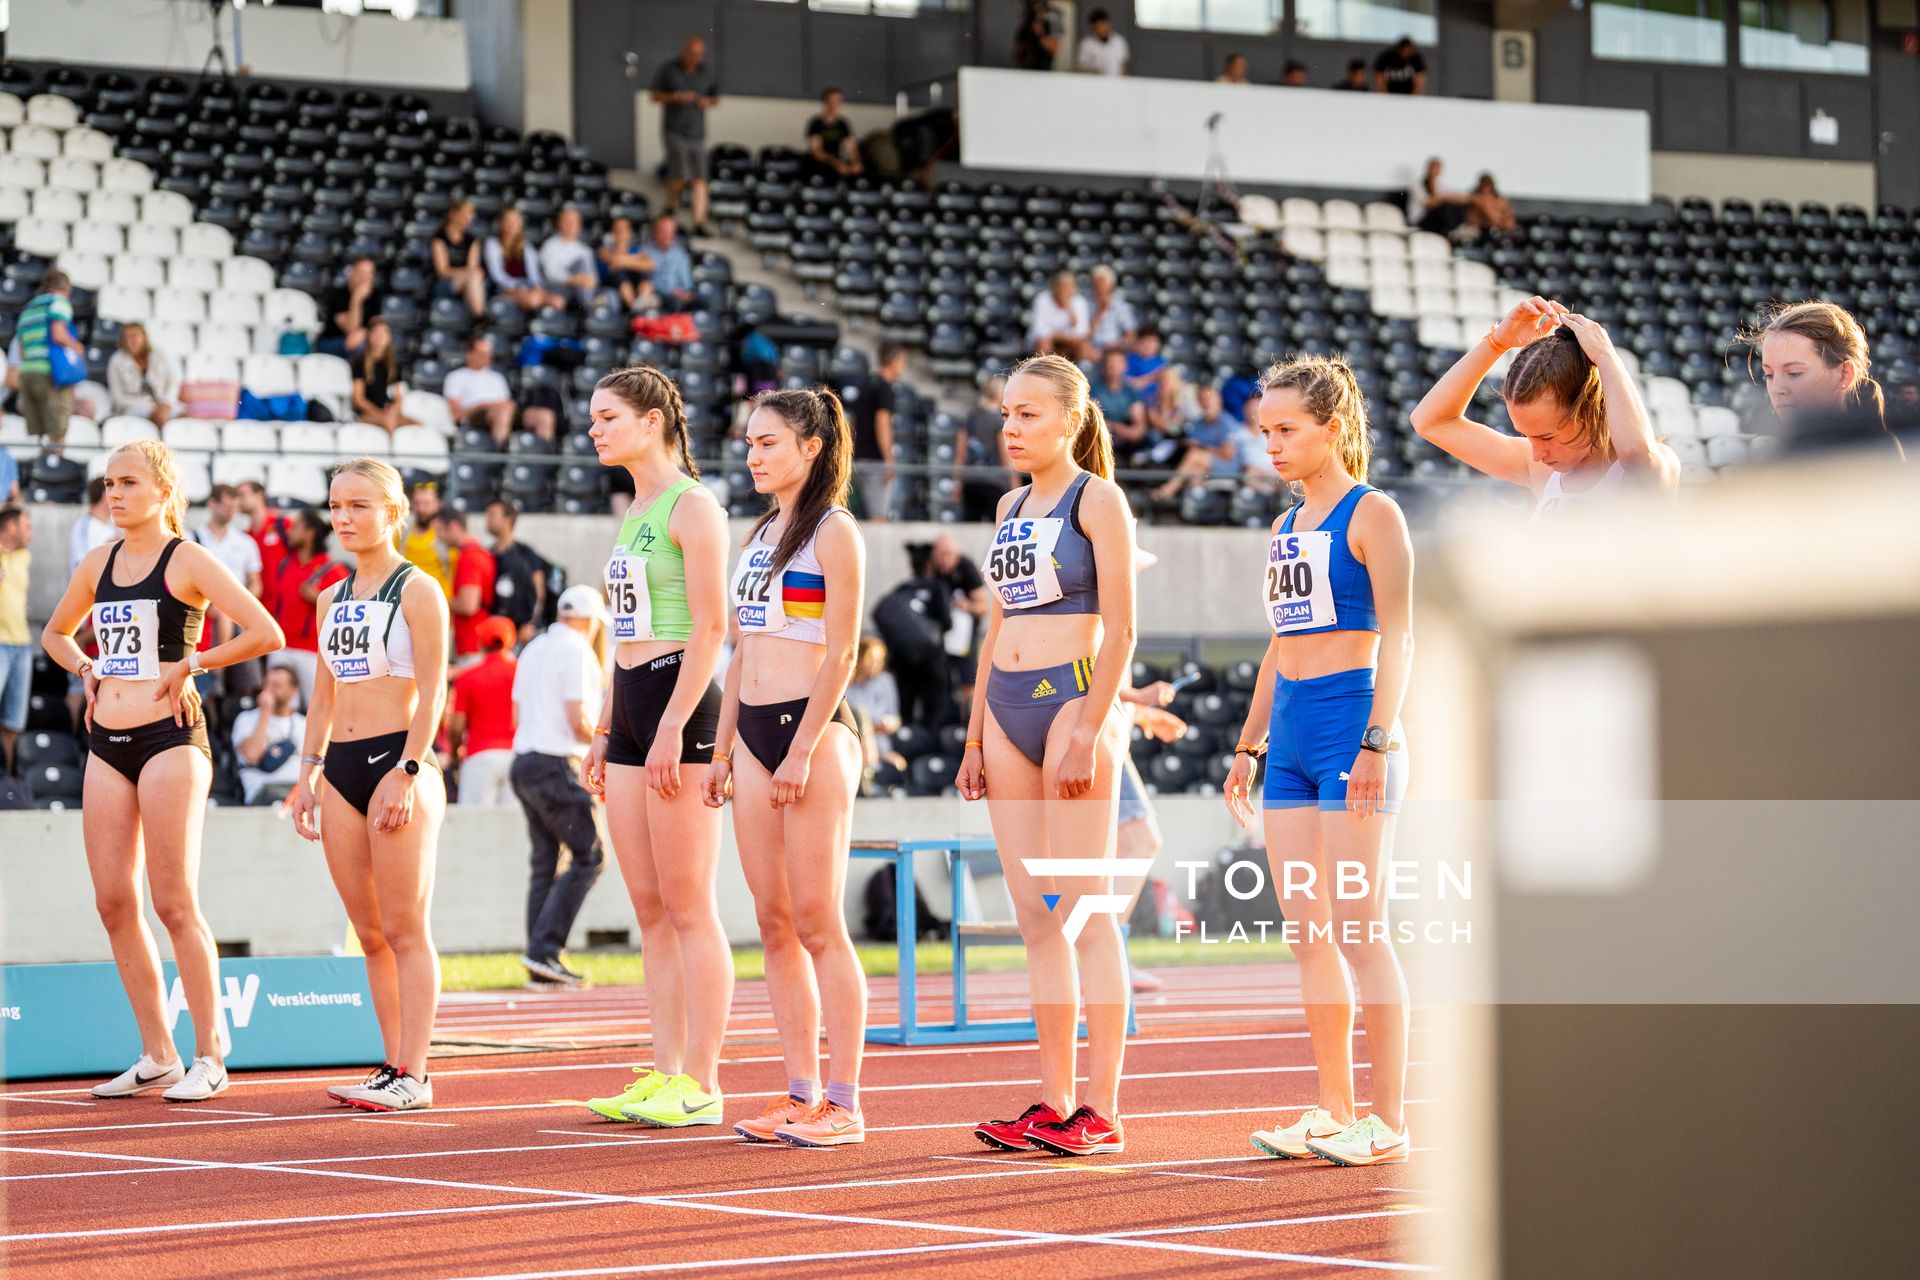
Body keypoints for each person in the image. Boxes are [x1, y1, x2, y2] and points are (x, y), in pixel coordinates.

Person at [42, 441, 284, 1103]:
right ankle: (157, 1052)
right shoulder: (100, 563)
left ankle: (211, 1052)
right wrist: (88, 668)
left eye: (127, 482)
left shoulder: (189, 559)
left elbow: (266, 632)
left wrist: (193, 663)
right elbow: (56, 635)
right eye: (108, 483)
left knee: (174, 900)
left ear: (164, 489)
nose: (114, 494)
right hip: (107, 740)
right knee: (113, 901)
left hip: (170, 736)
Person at [1223, 356, 1416, 1168]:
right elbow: (1279, 645)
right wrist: (1247, 744)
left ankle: (1387, 1119)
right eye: (1264, 431)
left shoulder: (1373, 515)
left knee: (1362, 929)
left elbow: (1403, 635)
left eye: (1286, 430)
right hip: (1293, 737)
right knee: (1308, 934)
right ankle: (1333, 1110)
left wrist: (1378, 739)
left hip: (1351, 727)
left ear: (1332, 429)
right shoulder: (1284, 527)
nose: (1270, 444)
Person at [957, 353, 1137, 1158]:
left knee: (1085, 908)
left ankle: (1101, 1108)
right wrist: (972, 736)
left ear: (1070, 419)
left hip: (1071, 703)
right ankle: (1054, 1099)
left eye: (1028, 414)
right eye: (1006, 414)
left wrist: (1091, 726)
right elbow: (997, 627)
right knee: (1035, 916)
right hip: (1003, 708)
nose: (1012, 428)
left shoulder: (1101, 501)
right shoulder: (1008, 506)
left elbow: (1125, 631)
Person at [705, 387, 868, 1148]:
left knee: (817, 921)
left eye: (768, 442)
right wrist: (723, 745)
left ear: (810, 446)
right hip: (753, 740)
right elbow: (741, 652)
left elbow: (839, 651)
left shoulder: (835, 531)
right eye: (748, 443)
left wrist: (801, 747)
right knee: (772, 925)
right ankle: (799, 1091)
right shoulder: (759, 532)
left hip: (816, 735)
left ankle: (844, 1101)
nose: (753, 455)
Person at [577, 366, 733, 1125]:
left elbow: (710, 626)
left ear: (651, 421)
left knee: (689, 903)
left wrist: (672, 722)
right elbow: (624, 632)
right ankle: (664, 1069)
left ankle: (702, 1080)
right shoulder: (634, 508)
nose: (594, 430)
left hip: (683, 699)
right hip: (635, 703)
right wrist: (609, 728)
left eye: (607, 417)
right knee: (648, 906)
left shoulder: (692, 505)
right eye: (593, 419)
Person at [288, 458, 449, 1112]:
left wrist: (407, 771)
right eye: (335, 506)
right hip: (341, 772)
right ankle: (391, 1064)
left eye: (359, 505)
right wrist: (308, 773)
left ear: (393, 511)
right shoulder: (330, 597)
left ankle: (417, 1072)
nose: (344, 518)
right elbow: (323, 697)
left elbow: (436, 689)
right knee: (369, 929)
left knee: (407, 927)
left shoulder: (418, 590)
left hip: (398, 764)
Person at [1410, 297, 1681, 523]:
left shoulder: (1648, 468)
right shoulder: (1543, 470)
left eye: (1547, 437)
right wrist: (1497, 342)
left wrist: (1605, 356)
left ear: (1586, 411)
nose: (1537, 453)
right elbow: (1430, 421)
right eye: (1528, 437)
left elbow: (1636, 452)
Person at [510, 584, 610, 988]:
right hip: (555, 761)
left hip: (526, 759)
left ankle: (539, 957)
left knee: (546, 862)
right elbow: (578, 720)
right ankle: (544, 950)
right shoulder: (578, 651)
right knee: (590, 857)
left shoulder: (533, 648)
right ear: (587, 620)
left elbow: (517, 712)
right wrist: (609, 744)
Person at [1748, 300, 1906, 459]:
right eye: (1769, 375)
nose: (1777, 389)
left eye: (1794, 373)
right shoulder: (1768, 453)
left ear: (1845, 374)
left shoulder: (1877, 453)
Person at [268, 507, 350, 703]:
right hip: (281, 648)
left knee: (319, 707)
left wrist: (318, 598)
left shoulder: (333, 570)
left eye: (296, 527)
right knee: (279, 707)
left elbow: (349, 612)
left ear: (309, 533)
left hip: (313, 652)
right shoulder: (285, 564)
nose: (289, 531)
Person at [192, 483, 264, 685]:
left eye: (234, 506)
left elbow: (256, 584)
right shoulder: (192, 538)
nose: (231, 511)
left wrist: (241, 606)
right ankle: (217, 675)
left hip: (236, 610)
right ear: (212, 504)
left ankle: (220, 677)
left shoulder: (245, 542)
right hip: (205, 607)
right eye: (226, 506)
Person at [652, 37, 720, 234]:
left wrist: (707, 101)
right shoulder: (668, 69)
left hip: (696, 132)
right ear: (685, 51)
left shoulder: (707, 71)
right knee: (680, 172)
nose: (695, 58)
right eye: (692, 53)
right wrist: (675, 97)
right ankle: (670, 207)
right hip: (674, 129)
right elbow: (654, 95)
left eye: (699, 55)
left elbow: (715, 98)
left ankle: (699, 222)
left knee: (701, 177)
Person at [449, 615, 518, 806]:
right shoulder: (522, 672)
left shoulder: (467, 677)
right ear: (511, 641)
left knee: (473, 827)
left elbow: (456, 726)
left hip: (479, 756)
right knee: (512, 828)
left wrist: (455, 754)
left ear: (480, 643)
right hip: (516, 756)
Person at [18, 268, 85, 453]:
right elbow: (58, 334)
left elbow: (22, 350)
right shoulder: (59, 302)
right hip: (49, 374)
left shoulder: (28, 309)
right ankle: (54, 474)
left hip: (28, 374)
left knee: (39, 436)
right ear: (66, 288)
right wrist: (77, 346)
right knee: (57, 434)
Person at [232, 663, 305, 805]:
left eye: (276, 686)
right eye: (267, 685)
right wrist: (265, 713)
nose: (269, 691)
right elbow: (252, 754)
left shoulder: (304, 723)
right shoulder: (246, 719)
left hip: (298, 791)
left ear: (293, 691)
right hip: (264, 793)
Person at [849, 341, 905, 523]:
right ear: (894, 360)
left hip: (858, 458)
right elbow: (883, 423)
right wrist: (888, 459)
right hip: (875, 461)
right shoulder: (884, 387)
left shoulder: (865, 384)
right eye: (903, 361)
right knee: (878, 518)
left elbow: (852, 423)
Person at [485, 499, 550, 645]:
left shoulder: (525, 554)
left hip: (520, 634)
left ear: (509, 520)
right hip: (495, 632)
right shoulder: (487, 554)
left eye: (493, 514)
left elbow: (539, 591)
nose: (487, 519)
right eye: (487, 514)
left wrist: (531, 623)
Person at [436, 509, 497, 661]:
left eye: (440, 531)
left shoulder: (469, 557)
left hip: (472, 643)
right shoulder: (478, 552)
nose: (438, 537)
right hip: (476, 641)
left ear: (454, 527)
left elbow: (468, 605)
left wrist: (436, 600)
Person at [844, 635, 902, 787]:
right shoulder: (846, 681)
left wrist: (888, 724)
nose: (875, 664)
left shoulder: (886, 680)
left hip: (882, 745)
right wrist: (871, 727)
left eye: (879, 659)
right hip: (854, 745)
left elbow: (894, 716)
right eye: (871, 658)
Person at [485, 207, 566, 314]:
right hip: (503, 289)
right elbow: (498, 276)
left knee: (558, 301)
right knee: (532, 300)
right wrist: (518, 286)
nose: (511, 225)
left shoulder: (526, 247)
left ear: (520, 224)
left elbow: (534, 275)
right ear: (501, 223)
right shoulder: (492, 244)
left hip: (526, 288)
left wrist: (537, 287)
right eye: (508, 221)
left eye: (515, 221)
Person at [443, 333, 517, 446]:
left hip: (501, 412)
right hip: (474, 417)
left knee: (543, 416)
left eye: (489, 354)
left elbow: (506, 403)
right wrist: (483, 406)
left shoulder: (497, 377)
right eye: (482, 354)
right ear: (470, 354)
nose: (487, 358)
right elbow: (456, 414)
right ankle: (500, 455)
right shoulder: (455, 377)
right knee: (502, 414)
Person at [0, 505, 30, 771]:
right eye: (26, 526)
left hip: (22, 647)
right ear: (11, 527)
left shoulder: (24, 557)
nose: (30, 534)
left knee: (13, 722)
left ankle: (7, 780)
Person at [352, 318, 417, 435]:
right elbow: (358, 399)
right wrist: (378, 412)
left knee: (418, 426)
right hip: (367, 414)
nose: (380, 336)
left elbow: (399, 397)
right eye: (376, 332)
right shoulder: (359, 362)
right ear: (369, 336)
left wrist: (392, 410)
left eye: (384, 333)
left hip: (388, 412)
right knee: (389, 422)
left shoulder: (393, 364)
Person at [106, 323, 180, 426]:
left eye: (134, 336)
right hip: (133, 406)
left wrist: (166, 402)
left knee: (187, 414)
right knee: (160, 416)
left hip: (163, 402)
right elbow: (118, 398)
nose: (129, 341)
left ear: (144, 337)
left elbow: (173, 382)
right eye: (126, 337)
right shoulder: (117, 360)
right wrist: (147, 403)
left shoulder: (159, 354)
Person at [1092, 348, 1151, 465]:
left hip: (1126, 438)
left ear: (1125, 366)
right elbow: (1094, 419)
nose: (1113, 366)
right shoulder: (1093, 389)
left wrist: (1131, 432)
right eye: (1110, 362)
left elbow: (1139, 426)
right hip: (1102, 435)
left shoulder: (1131, 391)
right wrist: (1117, 427)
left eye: (1117, 363)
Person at [431, 199, 488, 319]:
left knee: (475, 277)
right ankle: (479, 316)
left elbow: (472, 267)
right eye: (466, 213)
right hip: (445, 283)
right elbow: (442, 271)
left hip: (467, 281)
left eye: (471, 214)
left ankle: (477, 317)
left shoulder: (471, 240)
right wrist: (466, 273)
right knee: (474, 276)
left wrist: (468, 273)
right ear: (453, 214)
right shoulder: (439, 238)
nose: (470, 218)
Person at [540, 207, 601, 309]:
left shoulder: (585, 250)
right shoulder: (549, 245)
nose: (570, 224)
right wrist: (574, 279)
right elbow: (550, 273)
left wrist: (590, 281)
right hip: (558, 289)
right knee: (580, 264)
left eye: (573, 222)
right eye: (566, 221)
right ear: (559, 224)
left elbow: (593, 278)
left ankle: (590, 306)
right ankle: (589, 306)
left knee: (610, 296)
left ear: (579, 226)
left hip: (582, 290)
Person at [318, 257, 378, 361]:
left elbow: (377, 324)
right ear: (351, 273)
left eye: (370, 273)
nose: (366, 278)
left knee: (379, 341)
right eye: (362, 273)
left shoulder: (375, 295)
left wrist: (364, 333)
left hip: (360, 339)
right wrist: (356, 299)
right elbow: (350, 329)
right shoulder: (337, 294)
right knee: (359, 345)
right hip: (331, 342)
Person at [403, 481, 454, 597]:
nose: (421, 508)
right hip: (406, 602)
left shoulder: (447, 536)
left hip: (439, 602)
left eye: (426, 503)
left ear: (438, 504)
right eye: (417, 503)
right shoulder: (401, 535)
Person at [1028, 271, 1092, 362]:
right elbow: (1040, 330)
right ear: (1054, 287)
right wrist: (1060, 336)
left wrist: (1069, 309)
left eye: (1068, 287)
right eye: (1062, 286)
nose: (1065, 290)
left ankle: (1077, 373)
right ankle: (1042, 371)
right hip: (1049, 341)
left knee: (1084, 347)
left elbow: (1082, 332)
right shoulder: (1042, 299)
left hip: (1070, 342)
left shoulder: (1079, 301)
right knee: (1043, 343)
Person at [805, 88, 864, 181]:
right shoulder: (816, 123)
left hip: (838, 161)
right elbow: (816, 151)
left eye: (838, 101)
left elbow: (851, 147)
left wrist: (856, 162)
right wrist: (835, 163)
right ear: (825, 102)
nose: (834, 104)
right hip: (821, 163)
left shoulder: (842, 124)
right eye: (831, 101)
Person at [598, 216, 656, 311]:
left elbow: (650, 265)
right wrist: (636, 260)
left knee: (644, 275)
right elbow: (615, 261)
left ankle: (642, 302)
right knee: (620, 272)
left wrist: (624, 260)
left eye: (624, 229)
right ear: (613, 233)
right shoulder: (605, 249)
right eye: (618, 229)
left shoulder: (635, 249)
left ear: (630, 233)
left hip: (636, 286)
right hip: (612, 286)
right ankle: (634, 309)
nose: (621, 232)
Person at [1406, 158, 1467, 237]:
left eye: (1437, 168)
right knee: (1446, 207)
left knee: (1457, 207)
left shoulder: (1440, 186)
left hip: (1436, 221)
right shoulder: (1417, 185)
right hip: (1420, 220)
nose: (1434, 171)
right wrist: (1445, 198)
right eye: (1433, 168)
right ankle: (1450, 233)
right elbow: (1428, 203)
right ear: (1428, 168)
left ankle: (1453, 232)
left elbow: (1450, 197)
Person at [645, 216, 695, 311]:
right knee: (674, 303)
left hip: (680, 294)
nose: (667, 235)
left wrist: (686, 293)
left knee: (702, 301)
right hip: (657, 294)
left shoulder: (680, 254)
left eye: (670, 232)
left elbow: (687, 284)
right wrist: (671, 292)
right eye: (663, 231)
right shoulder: (646, 251)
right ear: (655, 232)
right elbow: (646, 281)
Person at [1086, 265, 1137, 354]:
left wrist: (1120, 345)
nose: (1099, 287)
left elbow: (1131, 335)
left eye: (1102, 284)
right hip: (1092, 349)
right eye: (1096, 284)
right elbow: (1085, 335)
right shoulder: (1085, 304)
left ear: (1111, 285)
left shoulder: (1120, 306)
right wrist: (1099, 312)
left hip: (1115, 350)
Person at [1075, 9, 1129, 76]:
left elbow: (1122, 66)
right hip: (1094, 82)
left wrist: (1122, 83)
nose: (1102, 29)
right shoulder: (1086, 44)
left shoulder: (1119, 41)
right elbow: (1082, 67)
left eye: (1104, 25)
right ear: (1093, 27)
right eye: (1099, 26)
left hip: (1115, 82)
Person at [1012, 0, 1061, 71]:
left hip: (1042, 71)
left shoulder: (1052, 17)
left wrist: (1040, 33)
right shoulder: (1027, 17)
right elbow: (1016, 51)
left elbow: (1053, 48)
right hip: (1023, 71)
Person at [1465, 172, 1517, 237]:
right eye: (1484, 186)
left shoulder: (1500, 201)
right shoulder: (1476, 198)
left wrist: (1505, 225)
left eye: (1487, 185)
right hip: (1478, 231)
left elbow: (1509, 220)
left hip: (1498, 231)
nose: (1485, 189)